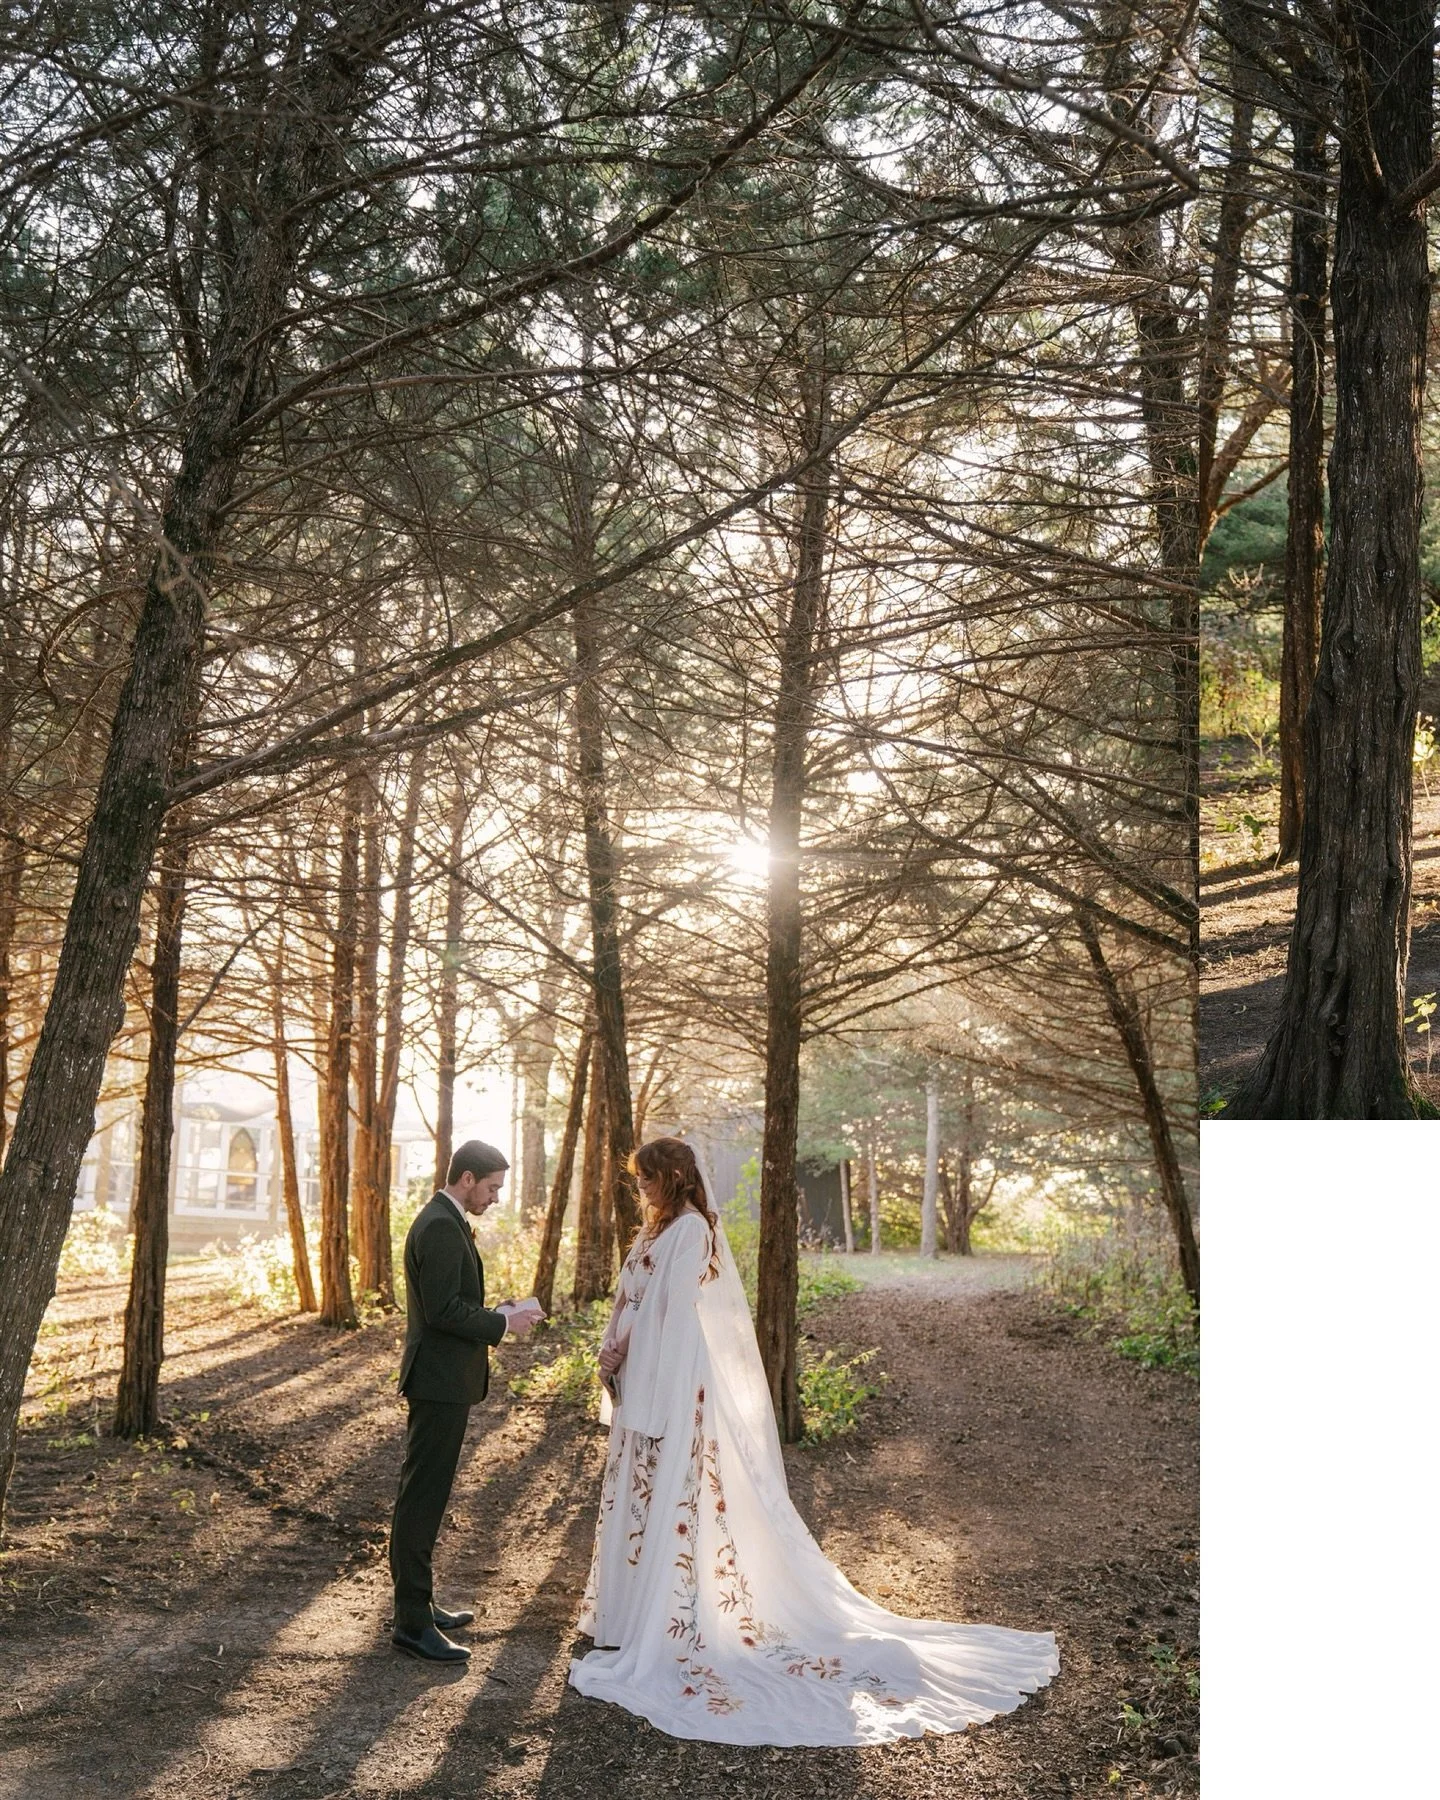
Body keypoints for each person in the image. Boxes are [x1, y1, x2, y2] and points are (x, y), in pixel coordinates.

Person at [569, 1135, 1058, 1744]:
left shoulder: (693, 1230)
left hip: (667, 1383)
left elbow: (672, 1313)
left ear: (672, 1176)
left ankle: (670, 1621)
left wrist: (631, 1345)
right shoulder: (653, 1230)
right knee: (635, 1494)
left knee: (672, 1501)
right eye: (636, 1178)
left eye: (645, 1178)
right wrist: (610, 1345)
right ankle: (626, 1611)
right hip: (635, 1376)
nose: (638, 1187)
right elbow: (629, 1296)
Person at [389, 1140, 541, 1663]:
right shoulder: (438, 1225)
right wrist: (503, 1323)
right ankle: (411, 1622)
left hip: (442, 1378)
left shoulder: (444, 1220)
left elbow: (452, 1304)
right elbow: (441, 1312)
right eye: (493, 1188)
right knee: (421, 1500)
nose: (496, 1198)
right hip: (437, 1381)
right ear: (468, 1177)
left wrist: (495, 1310)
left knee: (426, 1496)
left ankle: (420, 1603)